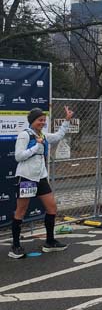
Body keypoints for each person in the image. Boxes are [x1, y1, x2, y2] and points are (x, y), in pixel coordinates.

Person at [10, 105, 74, 259]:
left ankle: (50, 242)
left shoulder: (43, 135)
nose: (42, 122)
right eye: (40, 120)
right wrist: (36, 147)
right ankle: (15, 246)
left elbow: (58, 136)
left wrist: (66, 121)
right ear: (32, 121)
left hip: (41, 177)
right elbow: (18, 156)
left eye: (44, 120)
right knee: (21, 211)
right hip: (26, 178)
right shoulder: (24, 135)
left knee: (52, 207)